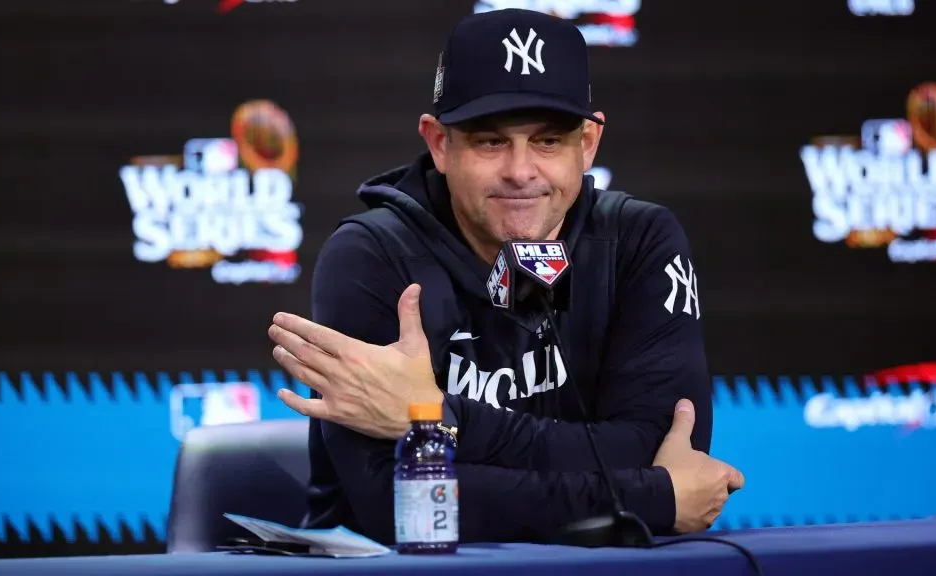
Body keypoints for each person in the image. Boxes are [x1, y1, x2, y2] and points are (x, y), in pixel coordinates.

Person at [266, 8, 744, 544]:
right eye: (491, 142)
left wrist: (440, 420)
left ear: (587, 144)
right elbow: (398, 505)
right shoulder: (370, 256)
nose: (520, 172)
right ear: (440, 144)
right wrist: (649, 496)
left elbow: (663, 448)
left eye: (548, 141)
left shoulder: (638, 242)